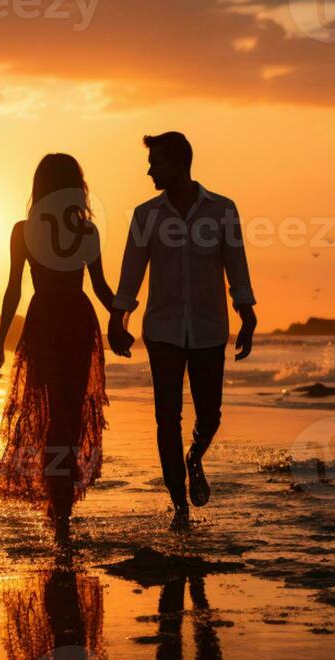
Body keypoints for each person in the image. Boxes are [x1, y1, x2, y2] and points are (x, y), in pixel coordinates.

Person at [107, 132, 258, 530]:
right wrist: (117, 318)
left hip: (209, 329)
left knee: (210, 414)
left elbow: (236, 265)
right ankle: (179, 506)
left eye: (156, 162)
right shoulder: (146, 215)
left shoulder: (222, 210)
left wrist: (247, 313)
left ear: (179, 163)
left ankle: (195, 456)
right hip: (162, 331)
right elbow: (131, 272)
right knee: (165, 418)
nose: (150, 169)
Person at [0, 153, 119, 545]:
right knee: (68, 416)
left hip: (45, 319)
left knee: (51, 416)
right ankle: (61, 507)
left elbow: (14, 288)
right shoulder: (87, 231)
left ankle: (59, 506)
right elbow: (100, 289)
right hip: (77, 320)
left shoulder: (23, 229)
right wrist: (121, 317)